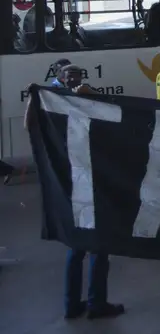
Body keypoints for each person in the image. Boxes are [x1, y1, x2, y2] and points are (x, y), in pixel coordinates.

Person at [22, 77, 126, 320]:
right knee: (100, 248)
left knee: (77, 248)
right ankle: (97, 303)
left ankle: (71, 305)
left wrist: (32, 99)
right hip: (95, 190)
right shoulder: (95, 120)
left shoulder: (58, 121)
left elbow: (30, 125)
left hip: (72, 192)